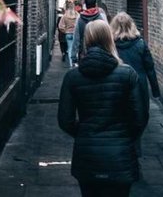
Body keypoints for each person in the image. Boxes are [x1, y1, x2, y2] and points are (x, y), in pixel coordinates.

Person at [58, 20, 147, 197]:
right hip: (120, 154)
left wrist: (84, 132)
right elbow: (140, 118)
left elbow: (65, 120)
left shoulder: (72, 77)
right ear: (110, 39)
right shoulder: (128, 74)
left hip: (87, 154)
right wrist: (123, 135)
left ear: (86, 40)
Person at [111, 12, 160, 156]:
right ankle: (135, 145)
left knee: (119, 116)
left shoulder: (111, 45)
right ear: (131, 25)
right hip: (139, 87)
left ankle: (122, 146)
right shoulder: (140, 44)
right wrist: (155, 91)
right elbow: (150, 68)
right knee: (140, 116)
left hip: (117, 86)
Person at [70, 0, 105, 65]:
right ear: (95, 5)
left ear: (85, 5)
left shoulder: (80, 19)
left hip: (84, 54)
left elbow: (76, 38)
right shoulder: (101, 18)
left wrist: (73, 56)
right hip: (99, 54)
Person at [58, 1, 79, 66]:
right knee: (76, 48)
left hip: (68, 34)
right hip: (75, 33)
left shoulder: (65, 16)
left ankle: (71, 64)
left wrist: (65, 31)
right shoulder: (77, 15)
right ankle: (75, 63)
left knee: (70, 49)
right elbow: (79, 24)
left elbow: (60, 26)